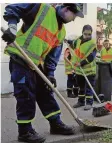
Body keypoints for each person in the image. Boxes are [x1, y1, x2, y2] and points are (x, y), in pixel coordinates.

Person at [1, 3, 84, 142]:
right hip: (20, 59)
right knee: (26, 95)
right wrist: (12, 29)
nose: (74, 19)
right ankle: (25, 132)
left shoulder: (61, 32)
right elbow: (12, 9)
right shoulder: (41, 9)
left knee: (46, 92)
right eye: (74, 16)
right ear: (66, 9)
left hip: (36, 64)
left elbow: (52, 56)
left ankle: (56, 124)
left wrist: (50, 74)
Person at [66, 25, 97, 111]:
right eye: (85, 34)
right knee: (81, 87)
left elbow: (91, 57)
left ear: (91, 33)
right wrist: (67, 41)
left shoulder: (92, 43)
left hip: (89, 70)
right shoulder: (78, 40)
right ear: (82, 33)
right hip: (79, 70)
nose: (87, 36)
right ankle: (81, 101)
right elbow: (73, 44)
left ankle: (89, 103)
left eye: (89, 34)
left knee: (89, 87)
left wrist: (82, 63)